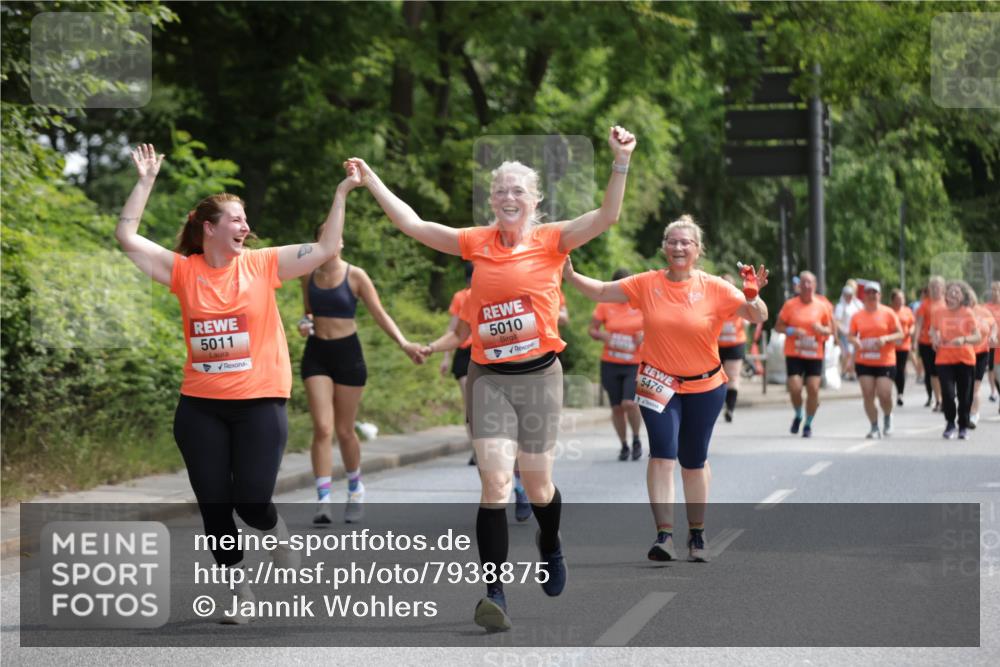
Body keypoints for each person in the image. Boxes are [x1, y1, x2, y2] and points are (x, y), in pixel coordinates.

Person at [348, 125, 637, 633]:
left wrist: (620, 160)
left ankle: (550, 543)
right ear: (492, 200)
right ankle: (495, 593)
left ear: (534, 200)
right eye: (500, 190)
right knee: (496, 483)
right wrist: (373, 182)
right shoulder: (476, 242)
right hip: (489, 377)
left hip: (540, 376)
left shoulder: (554, 240)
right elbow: (414, 225)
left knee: (538, 483)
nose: (507, 197)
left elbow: (608, 215)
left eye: (517, 190)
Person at [114, 144, 354, 623]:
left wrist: (343, 190)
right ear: (210, 228)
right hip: (199, 407)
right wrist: (144, 181)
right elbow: (126, 236)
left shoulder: (264, 264)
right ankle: (238, 589)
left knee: (251, 501)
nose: (246, 227)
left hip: (260, 403)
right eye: (236, 220)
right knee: (215, 510)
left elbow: (328, 248)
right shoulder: (184, 271)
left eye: (245, 221)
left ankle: (274, 531)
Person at [563, 215, 768, 566]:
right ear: (663, 248)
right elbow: (600, 291)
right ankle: (664, 535)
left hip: (706, 385)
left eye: (686, 242)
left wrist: (752, 295)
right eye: (672, 241)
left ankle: (698, 533)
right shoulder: (647, 284)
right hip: (658, 382)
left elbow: (756, 315)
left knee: (693, 461)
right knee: (662, 454)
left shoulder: (715, 287)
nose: (678, 247)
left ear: (697, 250)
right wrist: (568, 274)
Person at [300, 229, 426, 526]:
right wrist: (304, 323)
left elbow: (380, 314)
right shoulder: (307, 275)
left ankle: (356, 489)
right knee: (322, 427)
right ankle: (323, 500)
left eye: (337, 237)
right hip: (316, 354)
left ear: (341, 241)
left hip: (348, 356)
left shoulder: (356, 276)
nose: (333, 241)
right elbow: (307, 312)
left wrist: (405, 343)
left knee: (344, 430)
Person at [589, 268, 644, 460]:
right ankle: (624, 444)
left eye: (627, 287)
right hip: (610, 363)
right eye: (620, 288)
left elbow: (658, 328)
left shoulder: (641, 304)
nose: (623, 292)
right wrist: (601, 334)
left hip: (635, 363)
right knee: (617, 408)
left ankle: (636, 438)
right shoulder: (605, 305)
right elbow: (592, 329)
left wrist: (645, 336)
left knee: (629, 403)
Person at [774, 271, 835, 438]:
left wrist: (822, 330)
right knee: (795, 387)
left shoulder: (822, 306)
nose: (807, 286)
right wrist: (793, 330)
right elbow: (778, 326)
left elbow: (830, 330)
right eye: (804, 283)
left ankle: (808, 423)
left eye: (810, 283)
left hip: (814, 354)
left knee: (814, 389)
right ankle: (799, 414)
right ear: (799, 286)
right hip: (794, 352)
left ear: (815, 285)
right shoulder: (790, 305)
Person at [848, 282, 903, 438]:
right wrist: (855, 341)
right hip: (864, 359)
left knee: (884, 394)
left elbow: (900, 334)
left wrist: (886, 338)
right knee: (867, 394)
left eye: (875, 292)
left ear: (880, 295)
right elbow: (850, 335)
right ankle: (874, 426)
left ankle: (887, 415)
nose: (872, 295)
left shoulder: (888, 313)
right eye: (868, 292)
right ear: (864, 296)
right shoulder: (857, 316)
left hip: (885, 360)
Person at [930, 280, 981, 439]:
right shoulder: (939, 312)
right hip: (944, 360)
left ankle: (963, 426)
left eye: (956, 292)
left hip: (965, 360)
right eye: (950, 291)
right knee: (948, 394)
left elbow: (977, 336)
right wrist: (934, 338)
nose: (953, 294)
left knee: (965, 396)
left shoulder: (967, 313)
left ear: (962, 296)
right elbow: (933, 329)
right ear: (945, 295)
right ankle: (950, 423)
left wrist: (964, 339)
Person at [718, 273, 748, 423]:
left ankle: (730, 408)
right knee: (717, 379)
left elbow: (750, 316)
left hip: (735, 344)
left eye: (728, 285)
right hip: (715, 346)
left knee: (733, 377)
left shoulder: (739, 301)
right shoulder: (712, 301)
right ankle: (719, 404)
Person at [915, 276, 946, 411]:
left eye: (937, 286)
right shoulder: (925, 304)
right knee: (933, 372)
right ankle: (938, 399)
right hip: (926, 343)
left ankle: (946, 398)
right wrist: (915, 341)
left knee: (944, 371)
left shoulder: (948, 302)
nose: (934, 289)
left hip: (945, 343)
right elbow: (919, 324)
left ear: (943, 288)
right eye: (932, 287)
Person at [968, 291, 998, 428]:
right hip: (964, 354)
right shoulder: (959, 312)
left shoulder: (982, 311)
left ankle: (974, 415)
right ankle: (966, 412)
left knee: (975, 387)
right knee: (965, 387)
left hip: (981, 353)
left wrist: (992, 335)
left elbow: (994, 325)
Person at [889, 288, 916, 406]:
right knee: (892, 369)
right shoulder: (889, 312)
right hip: (891, 346)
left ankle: (900, 393)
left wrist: (911, 331)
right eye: (898, 299)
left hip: (904, 344)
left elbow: (913, 324)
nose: (901, 301)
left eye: (902, 298)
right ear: (893, 300)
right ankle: (891, 389)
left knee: (901, 369)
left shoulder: (907, 311)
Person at [834, 281, 862, 380]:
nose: (849, 297)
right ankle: (845, 371)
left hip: (856, 334)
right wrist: (844, 331)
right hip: (845, 334)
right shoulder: (841, 306)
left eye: (851, 295)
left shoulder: (857, 304)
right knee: (847, 353)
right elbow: (837, 321)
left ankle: (852, 372)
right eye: (847, 295)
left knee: (854, 353)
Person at [985, 282, 1000, 409]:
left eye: (998, 290)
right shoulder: (987, 307)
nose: (995, 293)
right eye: (993, 290)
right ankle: (994, 391)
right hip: (992, 345)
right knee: (994, 371)